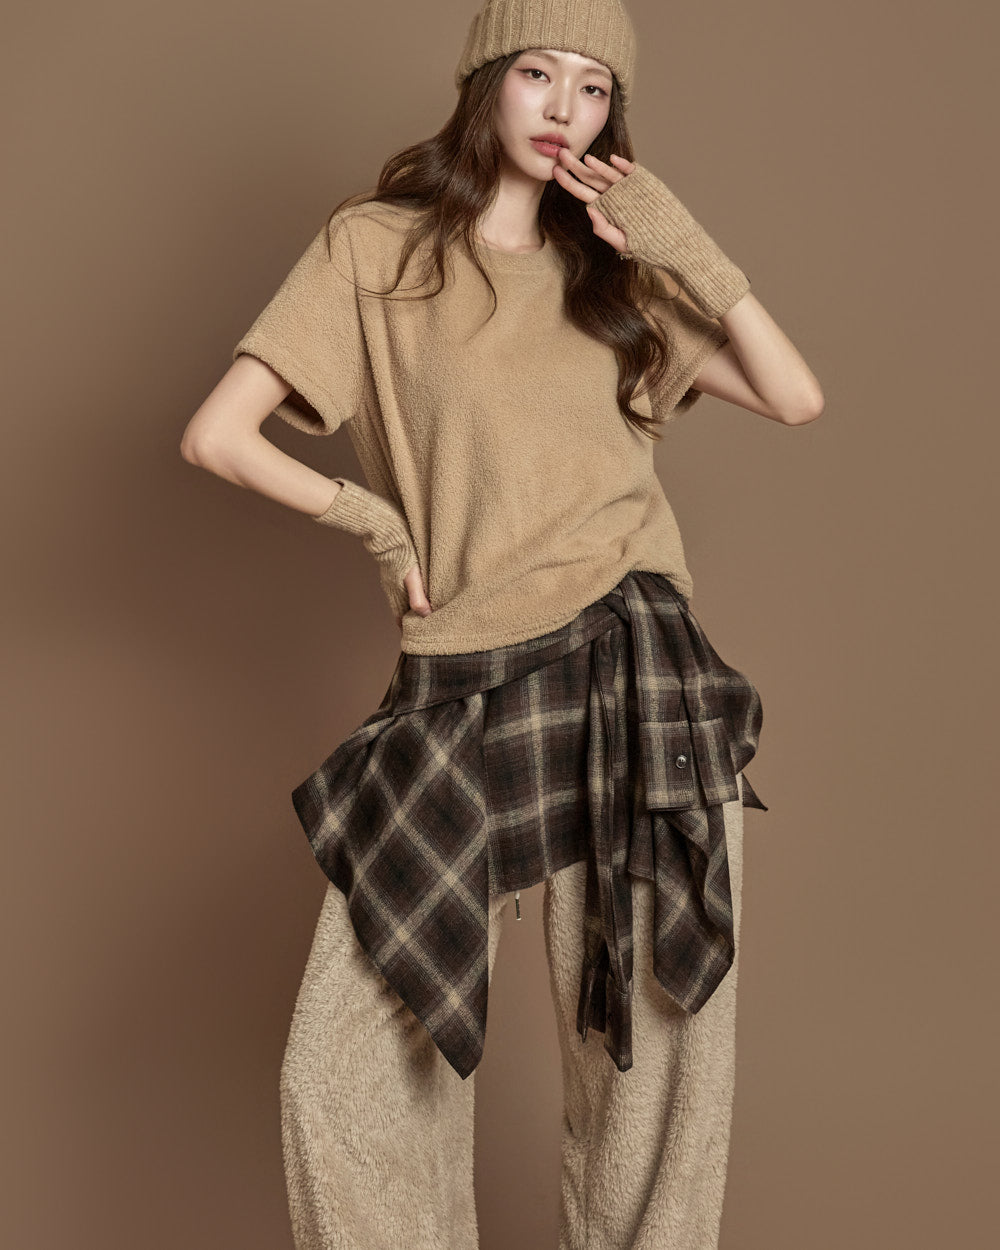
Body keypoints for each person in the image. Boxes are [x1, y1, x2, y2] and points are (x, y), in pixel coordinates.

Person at [181, 1, 823, 1245]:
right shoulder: (376, 249)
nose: (564, 108)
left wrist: (680, 241)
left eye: (593, 87)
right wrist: (374, 520)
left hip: (637, 664)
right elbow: (217, 434)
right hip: (467, 671)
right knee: (338, 1073)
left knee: (649, 1061)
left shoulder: (617, 274)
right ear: (485, 80)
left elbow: (794, 395)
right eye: (537, 72)